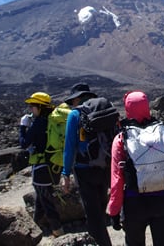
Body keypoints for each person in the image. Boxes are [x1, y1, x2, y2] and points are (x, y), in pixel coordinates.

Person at [107, 91, 164, 246]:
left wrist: (114, 211)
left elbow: (117, 178)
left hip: (134, 203)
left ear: (127, 108)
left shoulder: (121, 139)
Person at [60, 83, 113, 246]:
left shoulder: (75, 115)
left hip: (84, 170)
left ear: (77, 98)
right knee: (101, 209)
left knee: (93, 214)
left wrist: (65, 173)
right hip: (104, 167)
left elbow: (69, 146)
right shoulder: (105, 110)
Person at [19, 92, 64, 237]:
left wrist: (22, 127)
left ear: (39, 106)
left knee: (46, 201)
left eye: (32, 106)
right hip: (53, 164)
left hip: (41, 167)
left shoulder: (39, 123)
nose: (31, 109)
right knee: (40, 198)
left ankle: (58, 231)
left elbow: (24, 143)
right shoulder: (52, 120)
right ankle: (35, 226)